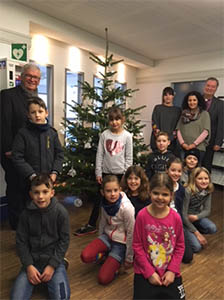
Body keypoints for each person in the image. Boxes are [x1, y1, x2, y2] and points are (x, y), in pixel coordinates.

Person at [74, 106, 133, 236]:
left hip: (120, 175)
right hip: (106, 173)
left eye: (117, 119)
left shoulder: (127, 136)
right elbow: (100, 155)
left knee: (118, 200)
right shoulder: (104, 135)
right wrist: (98, 172)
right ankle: (91, 224)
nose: (115, 122)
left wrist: (126, 176)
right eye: (111, 120)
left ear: (122, 120)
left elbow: (129, 158)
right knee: (99, 199)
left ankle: (117, 225)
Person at [10, 174, 70, 300]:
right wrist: (29, 266)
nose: (41, 196)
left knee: (63, 297)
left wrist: (52, 265)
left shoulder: (61, 213)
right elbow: (21, 242)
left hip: (53, 260)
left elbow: (64, 241)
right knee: (16, 298)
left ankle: (61, 264)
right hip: (32, 261)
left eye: (45, 192)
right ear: (31, 194)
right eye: (36, 192)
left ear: (52, 193)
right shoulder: (25, 215)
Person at [0, 63, 41, 229]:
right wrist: (9, 149)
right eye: (29, 76)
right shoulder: (7, 96)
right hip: (12, 154)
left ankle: (27, 223)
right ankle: (17, 226)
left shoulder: (36, 100)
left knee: (27, 188)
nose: (32, 80)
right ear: (21, 77)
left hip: (29, 154)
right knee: (15, 189)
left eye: (36, 77)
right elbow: (3, 124)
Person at [133, 173, 185, 300]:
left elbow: (180, 245)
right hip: (145, 270)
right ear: (150, 192)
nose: (160, 198)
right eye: (156, 193)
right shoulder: (141, 216)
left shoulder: (176, 217)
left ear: (171, 195)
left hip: (170, 271)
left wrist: (172, 270)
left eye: (165, 194)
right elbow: (137, 245)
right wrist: (149, 272)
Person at [80, 175, 135, 285]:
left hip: (120, 244)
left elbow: (131, 233)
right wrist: (100, 241)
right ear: (102, 192)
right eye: (108, 191)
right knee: (85, 256)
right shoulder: (104, 203)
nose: (113, 194)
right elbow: (102, 222)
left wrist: (129, 258)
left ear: (120, 189)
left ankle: (117, 262)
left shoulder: (127, 208)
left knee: (103, 279)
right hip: (107, 237)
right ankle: (105, 254)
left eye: (115, 190)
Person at [12, 97, 64, 200]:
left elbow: (59, 154)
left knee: (48, 207)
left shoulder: (52, 133)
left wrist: (54, 172)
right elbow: (17, 157)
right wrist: (31, 175)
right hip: (29, 182)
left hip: (49, 180)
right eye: (33, 112)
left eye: (40, 111)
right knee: (30, 209)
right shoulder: (23, 134)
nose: (37, 115)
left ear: (46, 113)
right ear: (28, 115)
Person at [182, 167, 217, 253]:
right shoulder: (188, 191)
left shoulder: (208, 190)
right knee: (196, 248)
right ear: (194, 179)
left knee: (212, 228)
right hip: (184, 220)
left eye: (206, 178)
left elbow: (207, 210)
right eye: (200, 179)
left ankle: (193, 230)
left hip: (195, 216)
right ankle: (185, 233)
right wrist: (197, 233)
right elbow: (183, 215)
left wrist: (196, 217)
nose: (204, 181)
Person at [166, 157, 193, 264]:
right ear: (167, 170)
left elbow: (182, 211)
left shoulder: (181, 189)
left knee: (188, 256)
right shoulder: (161, 186)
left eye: (179, 171)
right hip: (163, 223)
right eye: (173, 170)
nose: (176, 174)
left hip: (177, 224)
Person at [176, 91, 210, 163]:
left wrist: (194, 144)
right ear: (187, 102)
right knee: (183, 170)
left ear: (198, 101)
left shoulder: (204, 114)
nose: (192, 102)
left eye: (194, 100)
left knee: (196, 172)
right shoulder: (183, 114)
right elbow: (178, 130)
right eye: (190, 100)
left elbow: (206, 132)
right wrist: (183, 143)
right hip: (184, 148)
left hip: (199, 148)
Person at [150, 87, 181, 155]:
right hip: (158, 142)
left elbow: (178, 126)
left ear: (173, 96)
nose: (168, 97)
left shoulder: (178, 110)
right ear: (163, 96)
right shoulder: (158, 108)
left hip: (172, 143)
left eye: (170, 94)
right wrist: (160, 138)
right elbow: (154, 123)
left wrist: (170, 139)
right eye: (165, 95)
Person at [202, 77, 224, 172]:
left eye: (213, 86)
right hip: (194, 140)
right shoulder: (196, 101)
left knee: (206, 167)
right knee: (192, 165)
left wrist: (218, 142)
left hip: (210, 142)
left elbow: (221, 124)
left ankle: (204, 186)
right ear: (204, 86)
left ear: (216, 88)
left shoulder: (220, 104)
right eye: (208, 85)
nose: (210, 88)